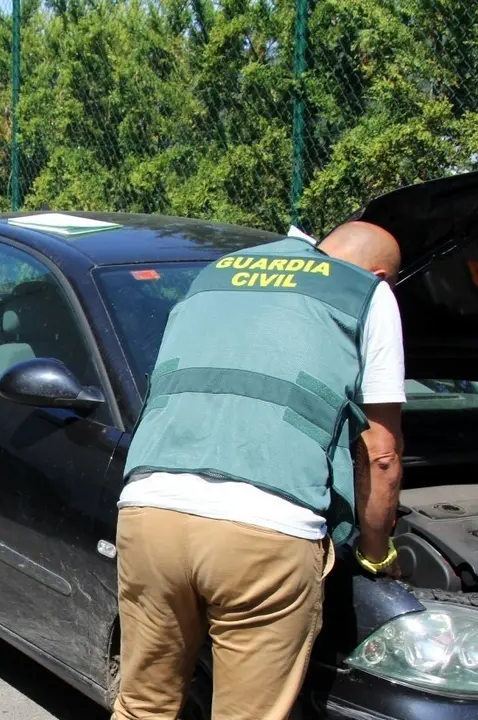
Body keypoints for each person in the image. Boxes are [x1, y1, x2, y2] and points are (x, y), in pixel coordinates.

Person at [111, 220, 406, 720]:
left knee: (142, 707)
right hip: (266, 533)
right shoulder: (367, 293)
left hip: (150, 510)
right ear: (381, 274)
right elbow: (380, 455)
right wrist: (377, 555)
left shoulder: (215, 274)